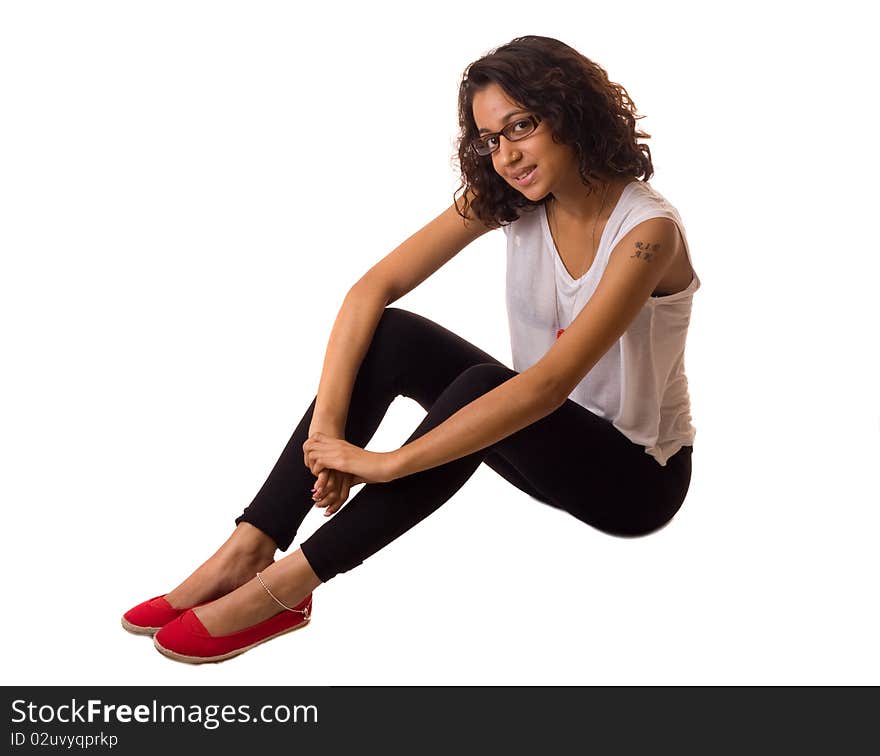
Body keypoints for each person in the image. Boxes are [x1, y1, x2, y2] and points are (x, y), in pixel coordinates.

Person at [122, 35, 700, 664]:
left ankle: (289, 587)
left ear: (570, 113)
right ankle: (250, 545)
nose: (506, 155)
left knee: (487, 385)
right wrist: (329, 434)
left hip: (634, 480)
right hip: (534, 441)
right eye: (490, 140)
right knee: (396, 334)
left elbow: (546, 387)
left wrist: (386, 463)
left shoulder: (648, 234)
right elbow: (372, 289)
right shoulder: (515, 198)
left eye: (522, 127)